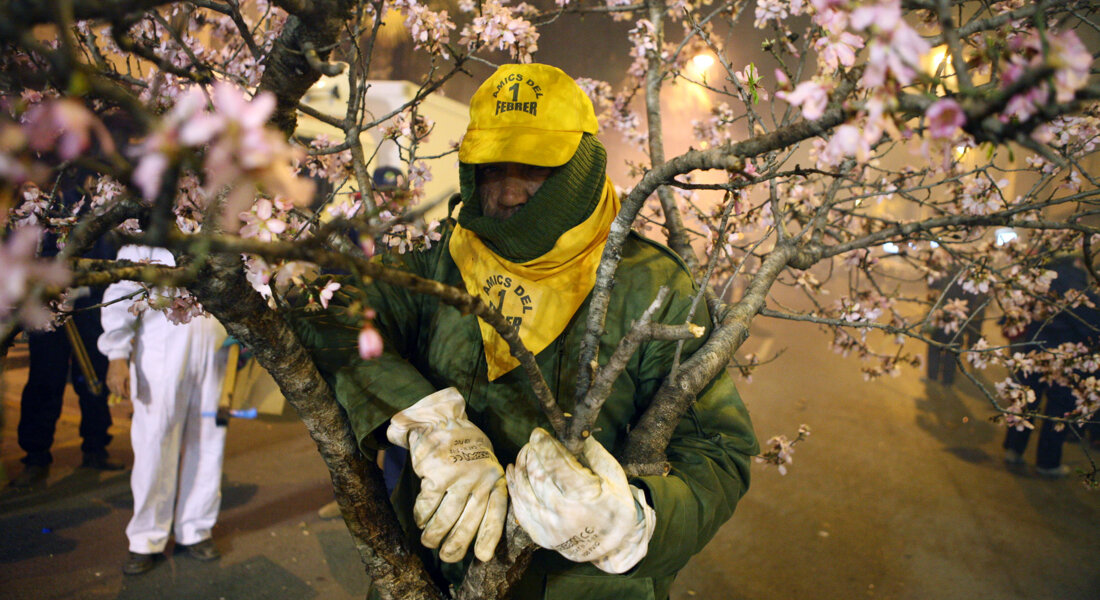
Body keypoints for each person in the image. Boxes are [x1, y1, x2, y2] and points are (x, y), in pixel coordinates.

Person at [289, 63, 757, 599]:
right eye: (491, 168)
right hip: (435, 573)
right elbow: (325, 309)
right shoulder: (439, 260)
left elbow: (718, 448)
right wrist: (427, 421)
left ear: (580, 168)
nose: (508, 194)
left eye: (534, 170)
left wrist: (636, 522)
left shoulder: (652, 285)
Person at [99, 245, 230, 575]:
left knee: (208, 443)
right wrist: (116, 354)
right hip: (159, 354)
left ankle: (196, 528)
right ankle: (146, 537)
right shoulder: (144, 238)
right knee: (153, 444)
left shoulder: (220, 230)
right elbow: (119, 297)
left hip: (214, 352)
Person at [8, 177, 122, 489]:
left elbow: (106, 250)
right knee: (46, 378)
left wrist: (85, 283)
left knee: (94, 375)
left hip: (87, 302)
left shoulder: (88, 199)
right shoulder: (30, 199)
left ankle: (96, 446)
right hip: (46, 304)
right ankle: (36, 457)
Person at [1003, 255, 1100, 478]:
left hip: (1036, 350)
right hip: (1064, 356)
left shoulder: (1043, 279)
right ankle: (1047, 463)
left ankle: (1013, 448)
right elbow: (1087, 317)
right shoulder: (1074, 281)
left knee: (1027, 400)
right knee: (1058, 409)